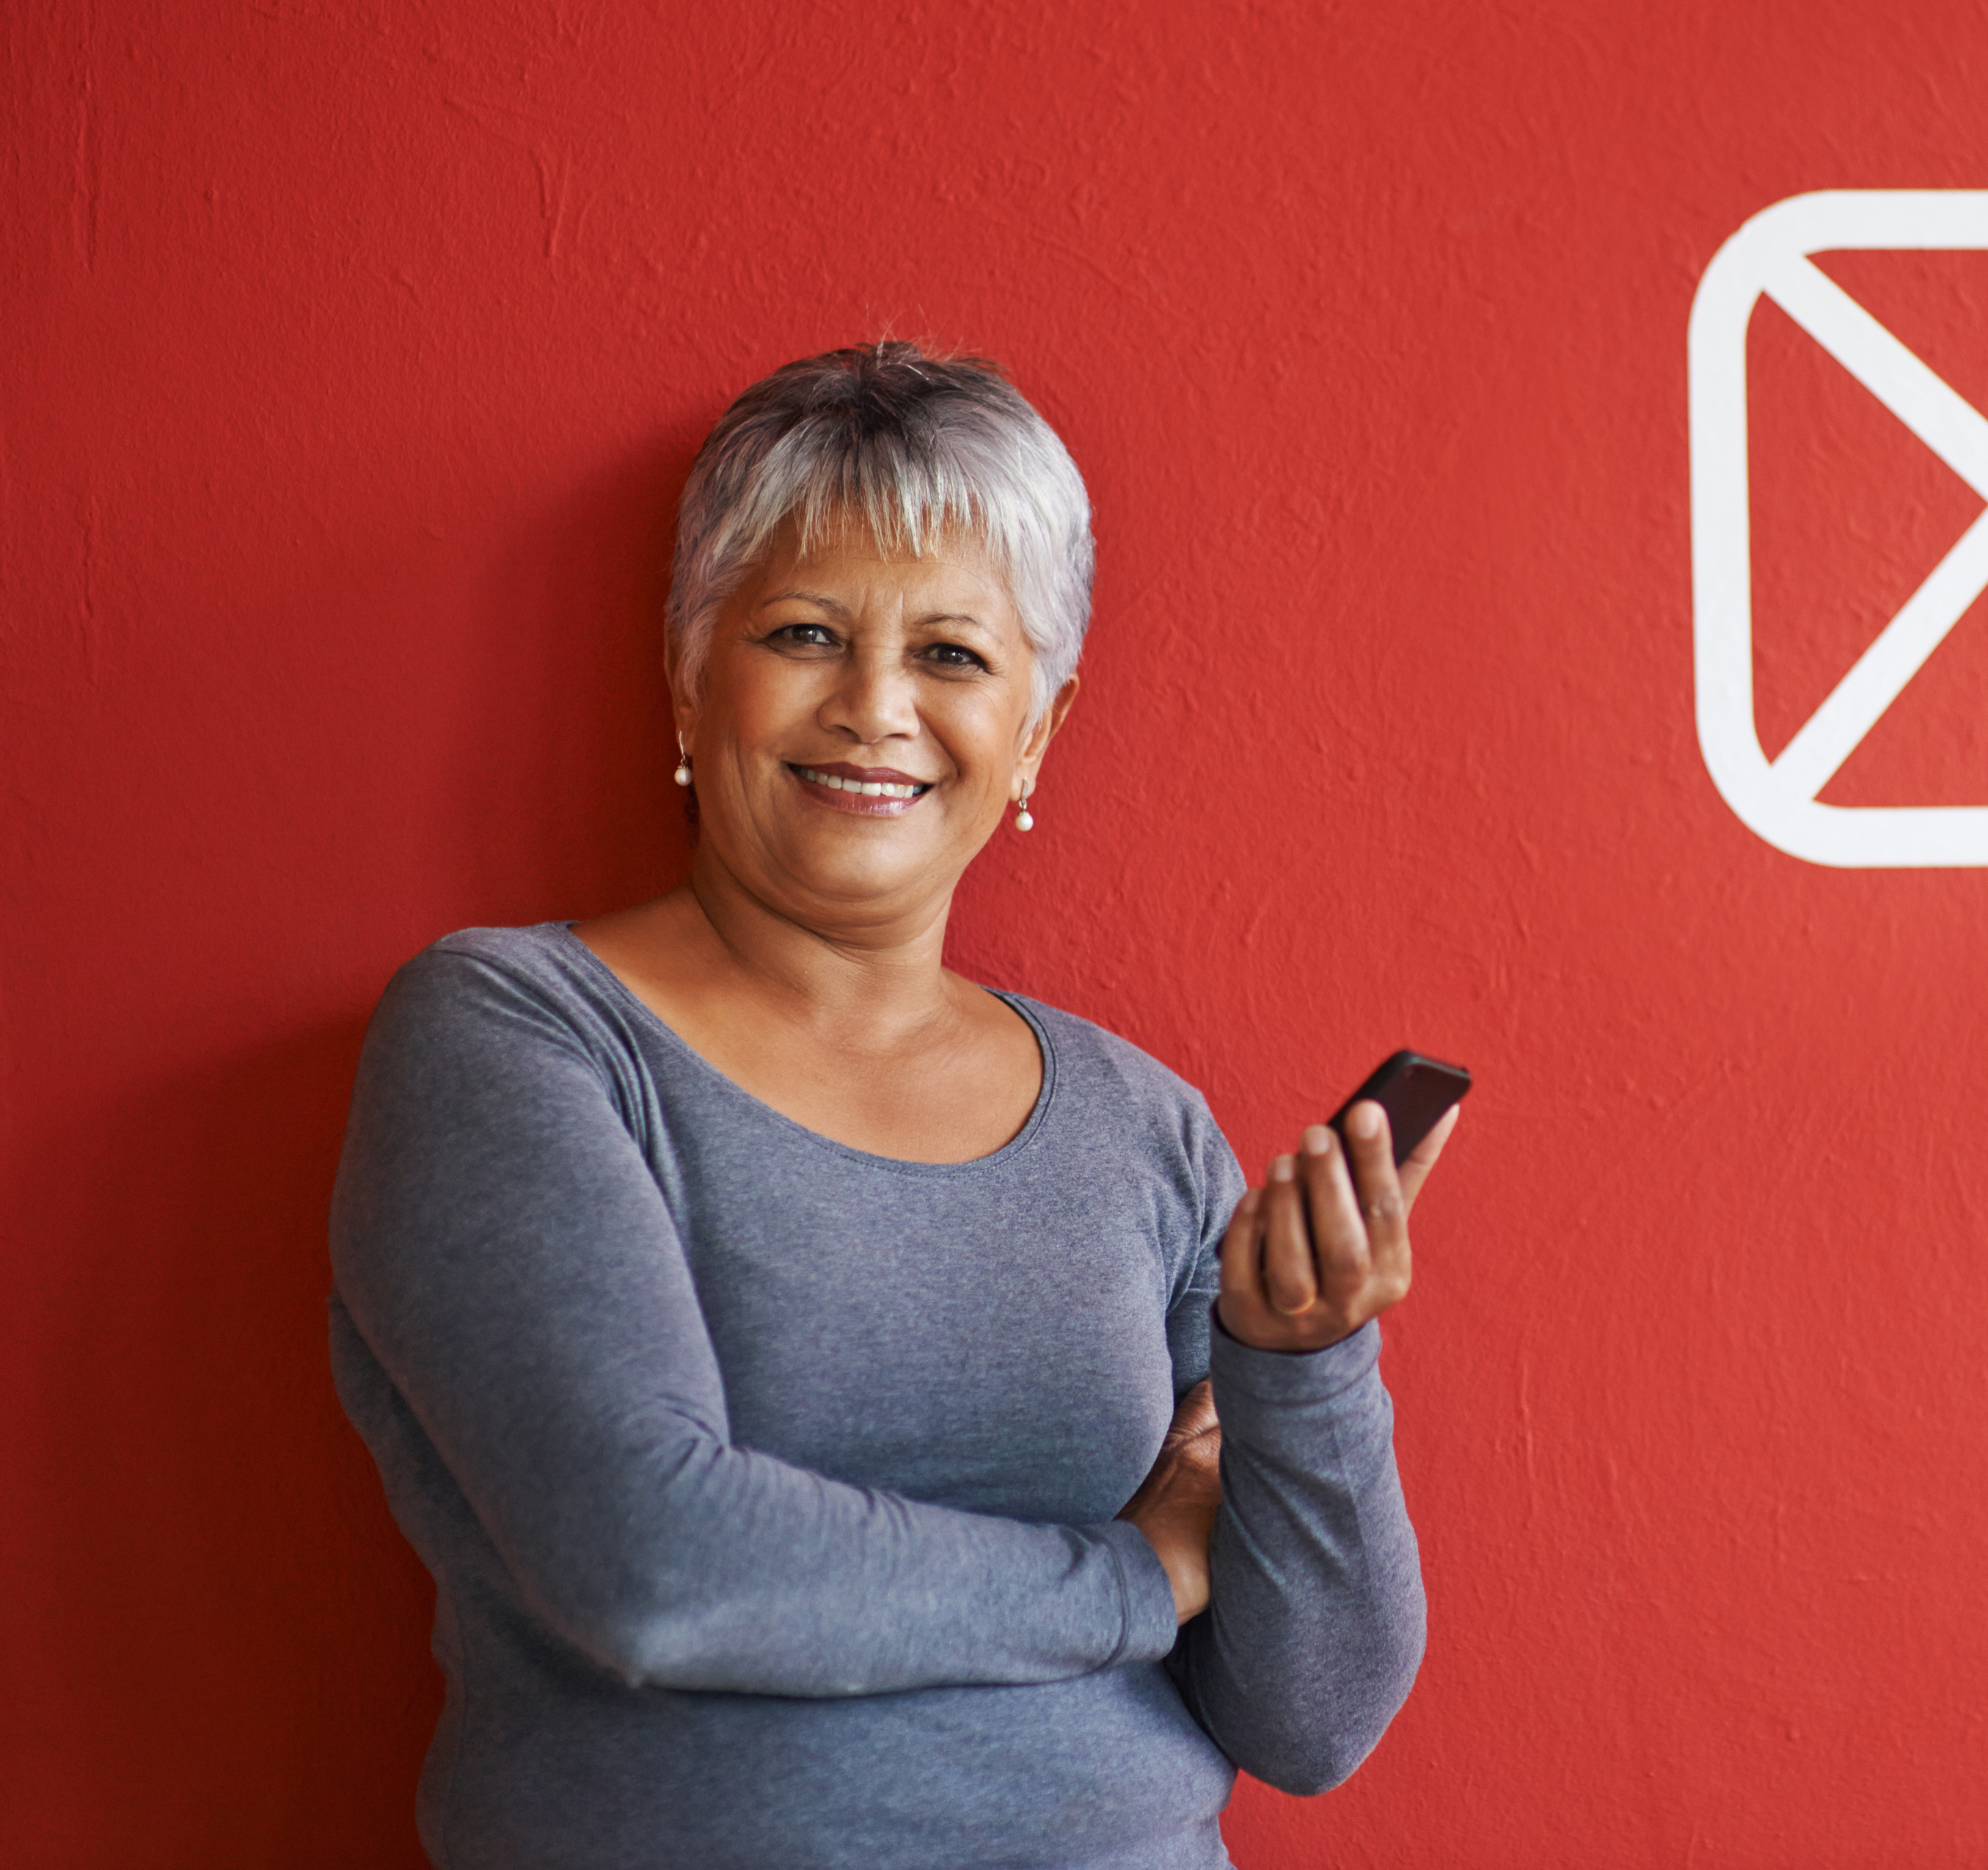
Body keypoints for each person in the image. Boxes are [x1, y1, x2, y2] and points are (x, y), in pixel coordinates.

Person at [327, 343, 1450, 1869]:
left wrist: (1304, 1368)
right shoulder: (515, 1033)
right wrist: (1131, 1577)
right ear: (687, 672)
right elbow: (660, 1567)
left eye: (954, 655)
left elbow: (1309, 1719)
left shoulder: (1146, 1128)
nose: (874, 706)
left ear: (1037, 732)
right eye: (804, 632)